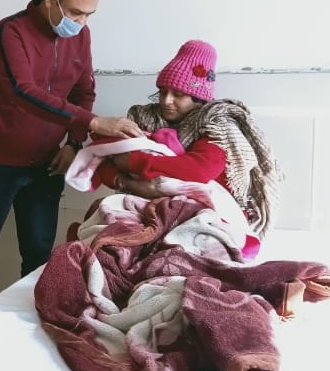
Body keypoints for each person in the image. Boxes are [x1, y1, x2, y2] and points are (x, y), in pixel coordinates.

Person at [0, 0, 143, 321]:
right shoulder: (11, 32)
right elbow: (22, 91)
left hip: (47, 163)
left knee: (40, 251)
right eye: (75, 12)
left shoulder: (80, 36)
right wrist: (94, 123)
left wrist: (73, 143)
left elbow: (84, 90)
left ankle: (36, 324)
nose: (81, 23)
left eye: (89, 15)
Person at [99, 39, 281, 236]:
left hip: (207, 211)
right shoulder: (144, 117)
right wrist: (128, 183)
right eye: (163, 92)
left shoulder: (217, 123)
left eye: (178, 94)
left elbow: (200, 169)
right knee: (102, 221)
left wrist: (134, 162)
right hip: (146, 203)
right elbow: (103, 162)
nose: (166, 101)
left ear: (198, 97)